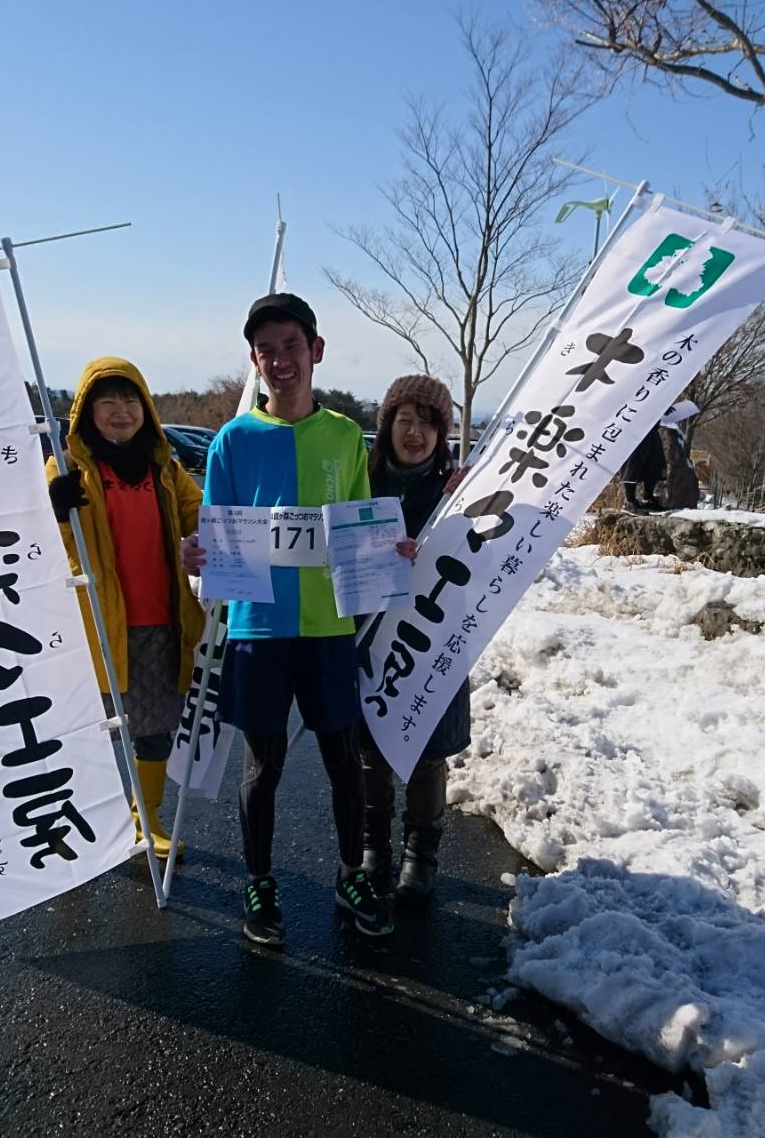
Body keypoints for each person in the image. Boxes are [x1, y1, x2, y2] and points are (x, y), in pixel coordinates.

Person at [182, 294, 414, 947]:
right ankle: (260, 882)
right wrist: (196, 556)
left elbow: (361, 524)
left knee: (344, 759)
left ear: (315, 349)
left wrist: (389, 549)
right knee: (265, 766)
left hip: (328, 628)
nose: (279, 360)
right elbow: (213, 533)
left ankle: (350, 874)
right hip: (258, 626)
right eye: (266, 351)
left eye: (290, 346)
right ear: (253, 362)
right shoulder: (232, 440)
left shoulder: (344, 434)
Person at [46, 357, 204, 860]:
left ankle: (146, 816)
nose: (121, 411)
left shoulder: (166, 467)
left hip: (161, 618)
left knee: (155, 728)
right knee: (86, 729)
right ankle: (75, 819)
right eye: (107, 401)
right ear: (86, 410)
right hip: (94, 624)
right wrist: (54, 507)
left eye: (130, 399)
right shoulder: (67, 467)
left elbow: (197, 516)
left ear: (146, 408)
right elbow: (43, 546)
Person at [359, 376, 471, 903]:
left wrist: (466, 509)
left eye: (428, 423)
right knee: (370, 747)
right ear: (387, 426)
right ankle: (372, 844)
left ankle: (420, 854)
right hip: (368, 632)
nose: (416, 433)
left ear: (441, 433)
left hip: (431, 635)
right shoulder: (359, 481)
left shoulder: (460, 490)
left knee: (427, 751)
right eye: (405, 420)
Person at [620, 422, 666, 512]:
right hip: (634, 427)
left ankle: (648, 498)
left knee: (655, 462)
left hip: (651, 426)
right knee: (632, 465)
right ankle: (630, 501)